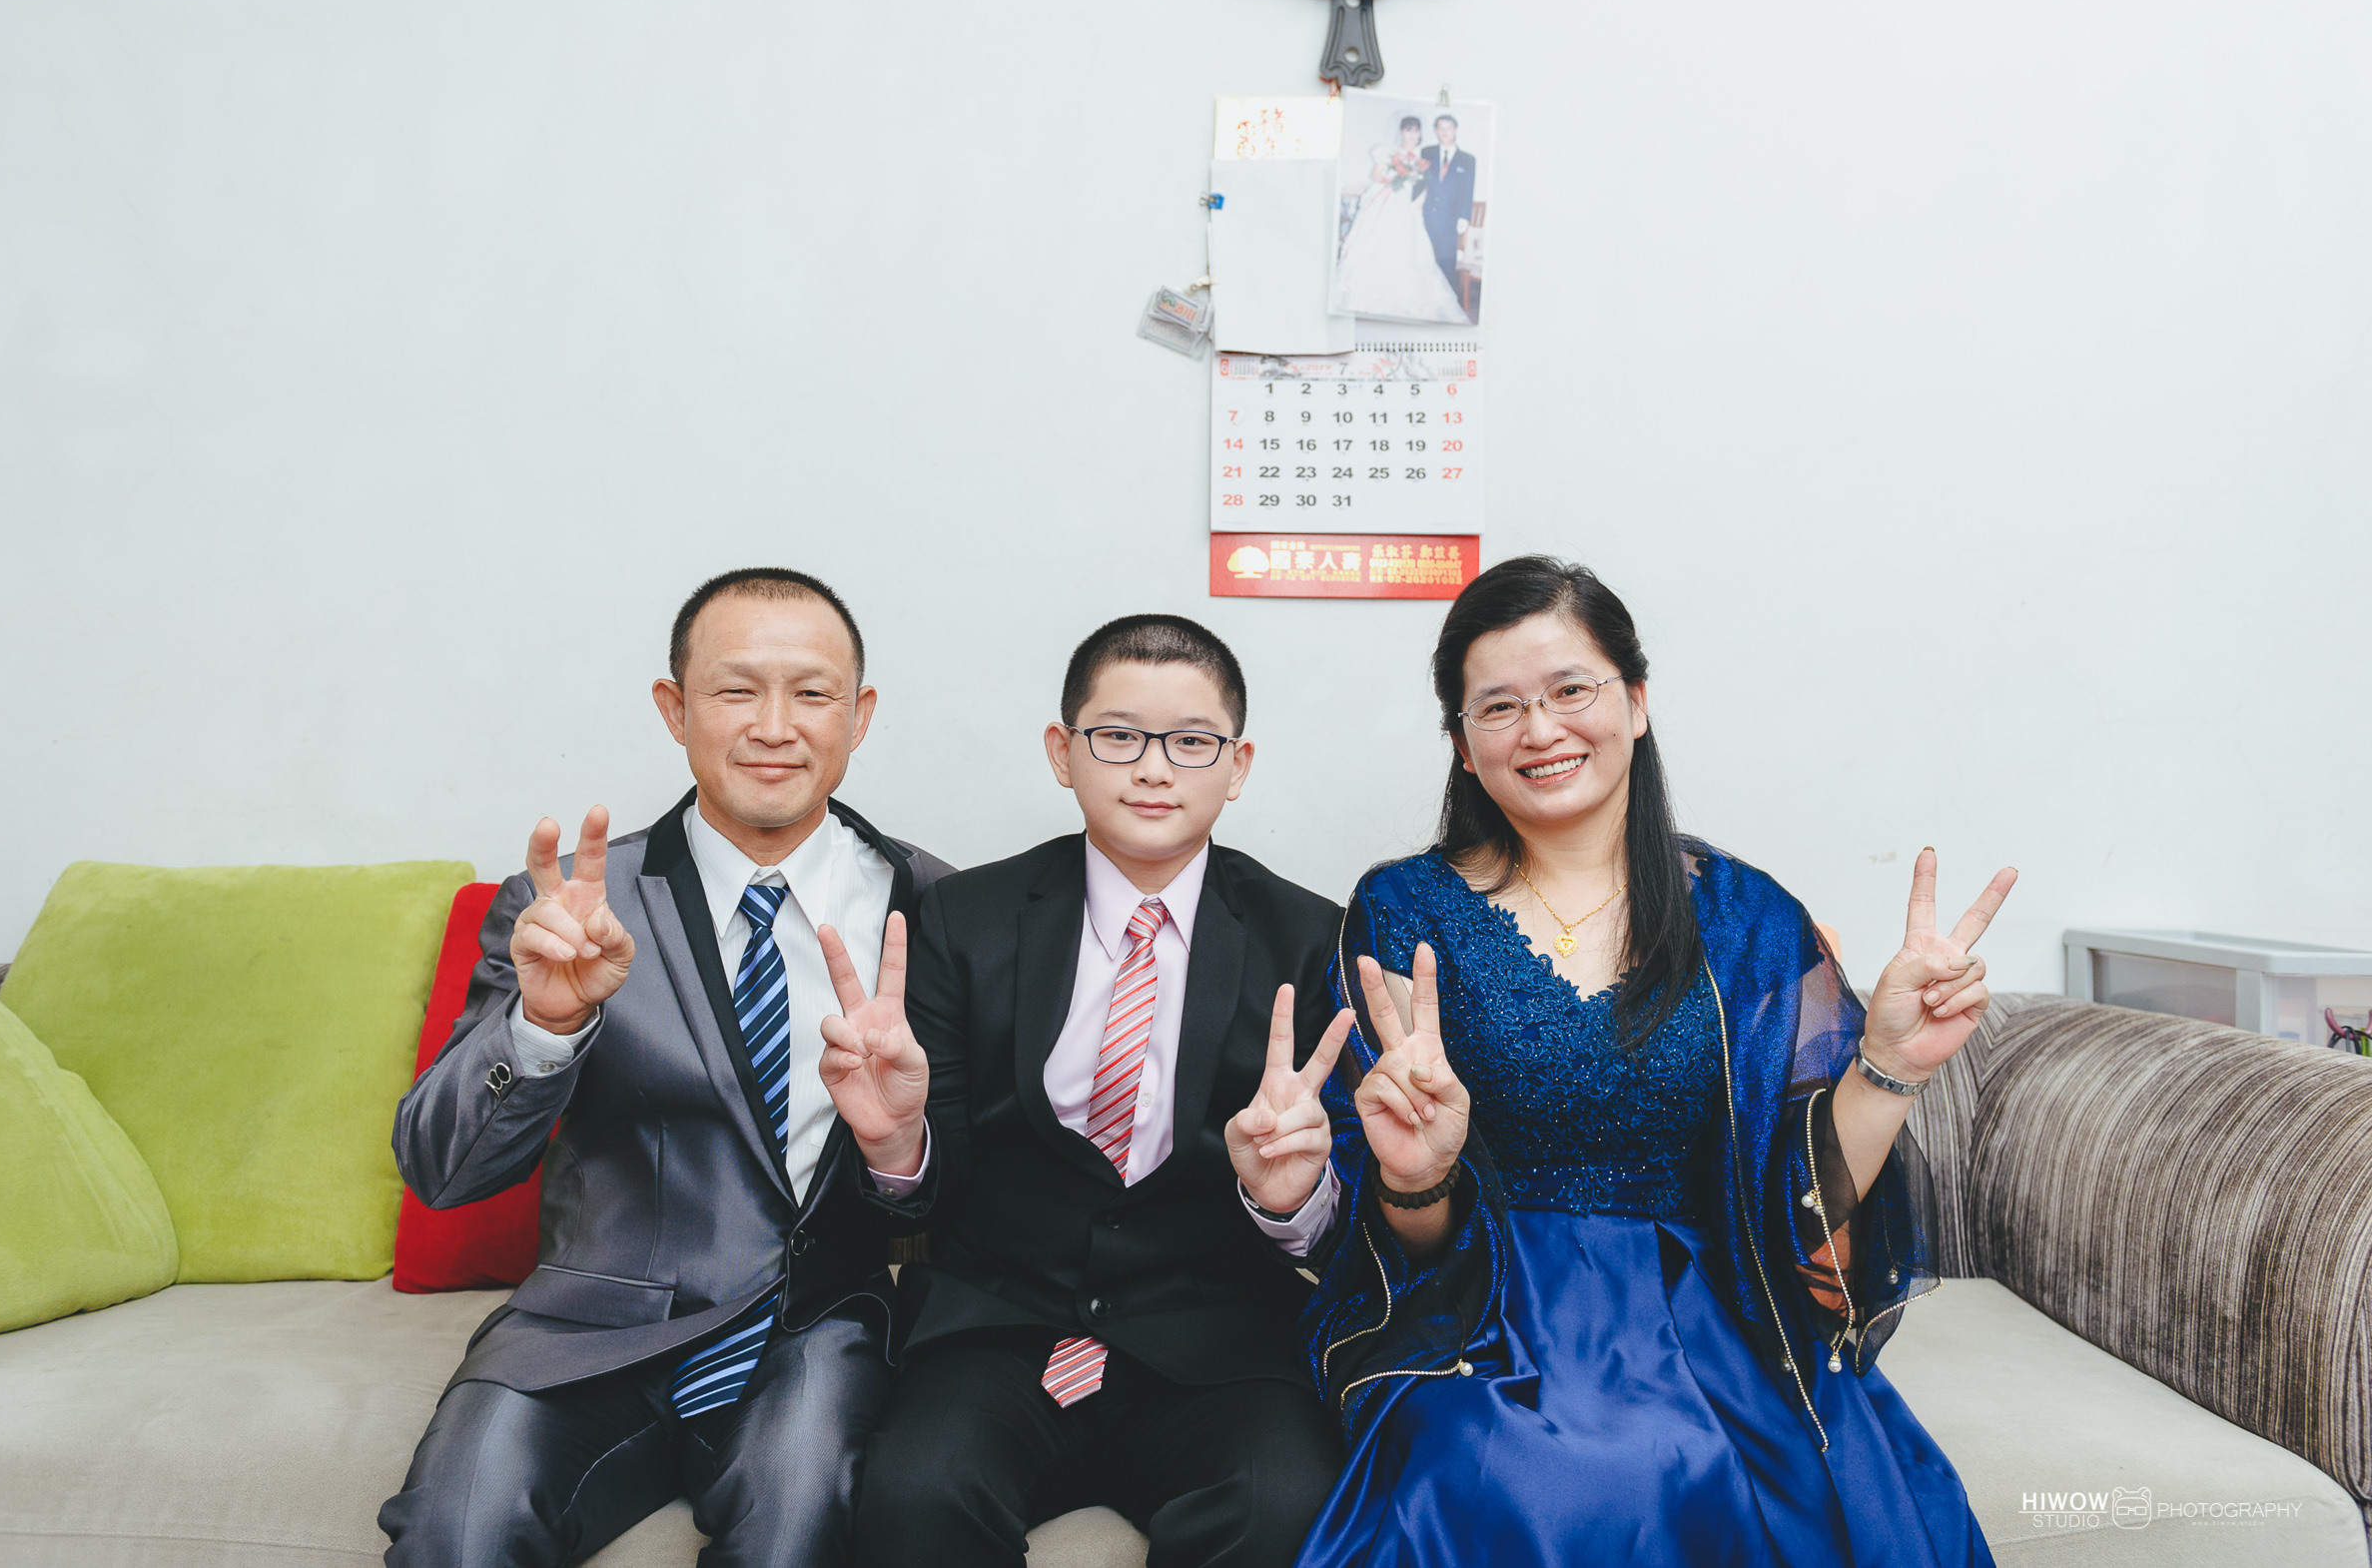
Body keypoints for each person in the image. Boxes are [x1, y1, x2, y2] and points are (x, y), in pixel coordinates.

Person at [1231, 555, 2013, 1566]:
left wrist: (1891, 1064)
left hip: (1714, 1307)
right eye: (1498, 707)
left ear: (1636, 702)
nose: (1540, 730)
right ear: (1463, 744)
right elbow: (1391, 1235)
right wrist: (1417, 1178)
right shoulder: (1402, 911)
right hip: (1482, 1309)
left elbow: (1801, 1199)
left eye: (1571, 690)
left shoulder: (1745, 915)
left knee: (1715, 1470)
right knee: (1517, 1476)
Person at [381, 568, 952, 1568]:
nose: (774, 726)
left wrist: (900, 1146)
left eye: (811, 693)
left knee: (798, 1526)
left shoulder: (938, 908)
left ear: (858, 716)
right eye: (736, 690)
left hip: (814, 1326)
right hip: (586, 1326)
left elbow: (967, 1192)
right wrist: (545, 1024)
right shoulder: (568, 909)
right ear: (674, 708)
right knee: (456, 1530)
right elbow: (443, 1171)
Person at [840, 614, 1350, 1568]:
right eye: (1118, 735)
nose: (1153, 768)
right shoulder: (964, 918)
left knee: (1285, 1503)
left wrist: (1290, 1199)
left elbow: (1331, 1219)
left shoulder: (1307, 935)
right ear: (1061, 751)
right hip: (1001, 1326)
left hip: (1216, 1342)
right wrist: (897, 1143)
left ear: (1237, 765)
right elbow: (928, 1188)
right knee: (914, 1495)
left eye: (1191, 742)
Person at [1332, 116, 1471, 326]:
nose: (1412, 135)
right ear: (1401, 132)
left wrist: (1419, 200)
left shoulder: (1424, 155)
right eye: (1408, 130)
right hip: (1390, 203)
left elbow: (1428, 184)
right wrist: (1397, 176)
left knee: (1411, 248)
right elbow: (1376, 175)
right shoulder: (1388, 151)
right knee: (1382, 246)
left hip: (1411, 207)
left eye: (1416, 131)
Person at [1418, 113, 1477, 294]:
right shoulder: (1426, 153)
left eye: (1448, 128)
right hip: (1427, 215)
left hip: (1451, 219)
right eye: (1441, 128)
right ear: (1436, 130)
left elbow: (1468, 189)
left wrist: (1465, 216)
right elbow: (1419, 183)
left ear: (1455, 130)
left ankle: (1445, 296)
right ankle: (1425, 294)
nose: (1444, 132)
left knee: (1446, 259)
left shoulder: (1468, 160)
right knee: (1425, 257)